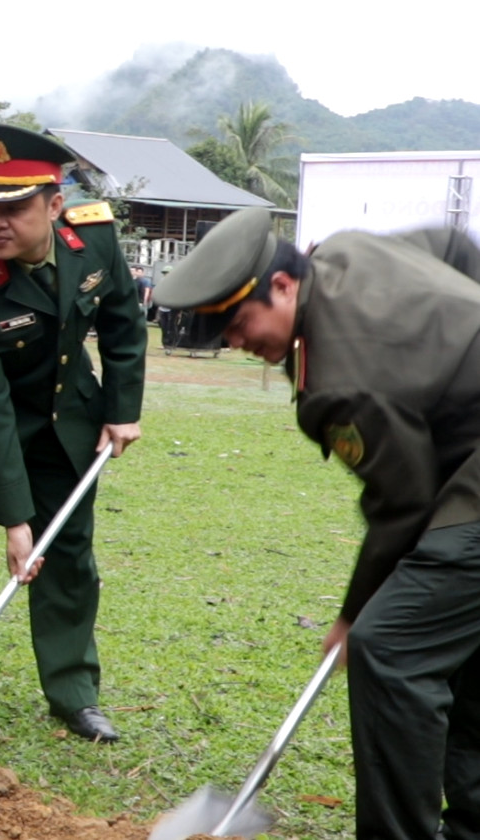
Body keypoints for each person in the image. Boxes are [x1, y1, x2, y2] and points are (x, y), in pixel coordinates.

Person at [156, 209, 480, 840]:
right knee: (464, 644)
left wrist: (354, 615)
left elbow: (403, 503)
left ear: (283, 285)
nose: (235, 343)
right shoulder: (346, 251)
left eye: (238, 323)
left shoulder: (342, 376)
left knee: (390, 650)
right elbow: (450, 244)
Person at [0, 124, 146, 756]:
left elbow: (123, 321)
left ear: (54, 204)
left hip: (69, 418)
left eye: (14, 207)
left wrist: (122, 409)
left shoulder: (94, 236)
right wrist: (15, 521)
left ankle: (75, 692)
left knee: (70, 551)